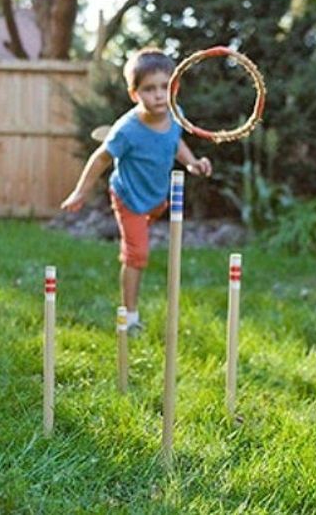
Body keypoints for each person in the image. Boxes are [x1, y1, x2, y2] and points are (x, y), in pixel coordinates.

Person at [60, 48, 212, 331]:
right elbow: (101, 157)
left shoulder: (176, 115)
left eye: (165, 87)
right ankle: (129, 317)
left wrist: (191, 163)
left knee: (143, 235)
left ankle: (138, 240)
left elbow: (175, 142)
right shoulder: (127, 130)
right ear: (134, 94)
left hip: (157, 198)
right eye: (148, 89)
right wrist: (80, 191)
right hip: (128, 197)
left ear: (175, 87)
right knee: (137, 254)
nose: (158, 95)